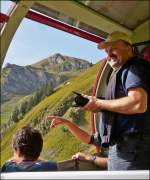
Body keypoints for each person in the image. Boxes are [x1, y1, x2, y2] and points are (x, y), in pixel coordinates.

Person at [48, 31, 150, 170]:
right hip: (124, 151)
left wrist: (99, 103)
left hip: (132, 150)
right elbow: (92, 139)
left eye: (113, 48)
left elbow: (138, 103)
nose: (109, 55)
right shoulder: (123, 72)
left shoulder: (133, 68)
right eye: (107, 51)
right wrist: (68, 121)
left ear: (129, 48)